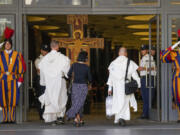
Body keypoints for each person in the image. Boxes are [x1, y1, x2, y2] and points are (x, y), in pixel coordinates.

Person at [38, 40, 70, 125]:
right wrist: (67, 75)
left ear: (51, 47)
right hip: (60, 80)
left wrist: (43, 82)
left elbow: (42, 70)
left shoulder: (45, 59)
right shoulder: (63, 58)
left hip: (49, 82)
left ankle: (52, 117)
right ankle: (60, 116)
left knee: (51, 97)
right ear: (57, 47)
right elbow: (67, 70)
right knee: (61, 98)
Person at [107, 47, 140, 126]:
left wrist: (110, 88)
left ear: (119, 53)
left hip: (116, 87)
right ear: (126, 53)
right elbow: (135, 76)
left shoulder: (113, 63)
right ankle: (122, 118)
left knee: (117, 102)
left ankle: (119, 118)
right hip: (126, 86)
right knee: (125, 103)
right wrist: (138, 86)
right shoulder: (130, 63)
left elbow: (111, 76)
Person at [0, 27, 26, 124]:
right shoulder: (0, 54)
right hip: (2, 79)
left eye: (9, 43)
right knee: (3, 99)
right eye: (5, 44)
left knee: (12, 99)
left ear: (11, 44)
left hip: (13, 79)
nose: (7, 45)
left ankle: (11, 118)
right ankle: (5, 118)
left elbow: (21, 69)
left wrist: (20, 80)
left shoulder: (17, 55)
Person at [66, 51, 92, 127]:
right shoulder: (87, 67)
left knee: (75, 102)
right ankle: (74, 116)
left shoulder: (74, 65)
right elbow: (90, 79)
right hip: (83, 86)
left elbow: (68, 75)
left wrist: (74, 77)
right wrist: (89, 84)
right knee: (80, 103)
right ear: (85, 58)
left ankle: (77, 119)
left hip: (75, 86)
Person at [161, 30, 180, 123]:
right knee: (178, 97)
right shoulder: (175, 53)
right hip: (177, 78)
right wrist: (174, 46)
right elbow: (163, 57)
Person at [138, 45, 156, 119]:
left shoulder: (149, 57)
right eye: (142, 50)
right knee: (145, 97)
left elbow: (152, 68)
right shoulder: (144, 58)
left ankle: (146, 114)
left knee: (147, 97)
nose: (142, 51)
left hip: (147, 78)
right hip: (144, 78)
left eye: (144, 50)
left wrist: (142, 68)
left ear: (147, 50)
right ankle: (145, 113)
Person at [34, 44, 49, 120]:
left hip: (49, 80)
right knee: (41, 97)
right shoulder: (38, 59)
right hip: (41, 80)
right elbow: (39, 70)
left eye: (46, 51)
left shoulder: (50, 58)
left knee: (49, 97)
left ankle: (48, 114)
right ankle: (42, 114)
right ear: (41, 51)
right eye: (44, 50)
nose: (45, 52)